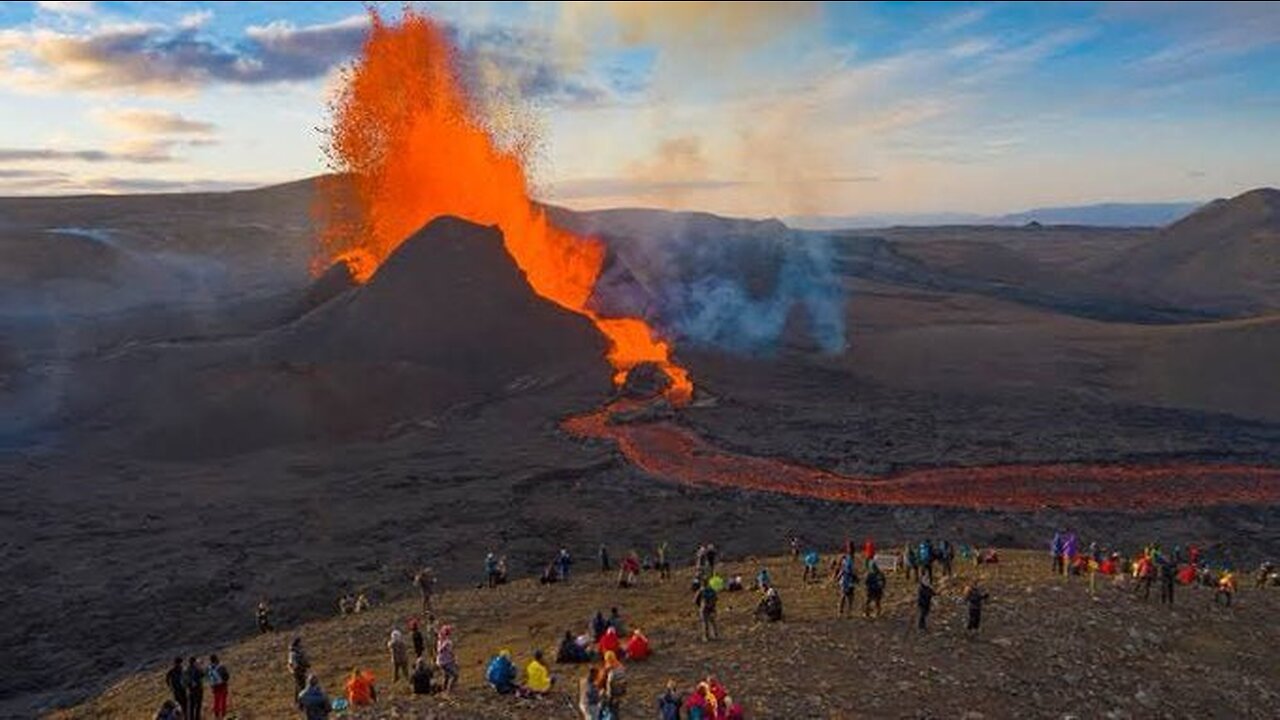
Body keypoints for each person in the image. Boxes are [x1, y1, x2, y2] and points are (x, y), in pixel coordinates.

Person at [600, 651, 627, 716]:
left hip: (612, 692)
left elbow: (609, 683)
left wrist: (607, 694)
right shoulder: (621, 667)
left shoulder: (611, 671)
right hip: (621, 690)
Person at [436, 624, 458, 691]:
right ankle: (449, 690)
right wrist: (455, 660)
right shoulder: (448, 642)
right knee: (455, 676)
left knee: (446, 676)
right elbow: (451, 652)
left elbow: (439, 650)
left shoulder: (440, 641)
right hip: (446, 662)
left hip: (440, 661)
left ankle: (444, 689)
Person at [207, 654, 230, 720]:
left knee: (216, 700)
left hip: (214, 686)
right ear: (216, 659)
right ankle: (223, 714)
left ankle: (216, 715)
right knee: (223, 700)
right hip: (222, 685)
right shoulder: (221, 667)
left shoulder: (209, 668)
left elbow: (208, 677)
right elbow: (226, 676)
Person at [184, 656, 204, 720]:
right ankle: (197, 718)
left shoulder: (186, 670)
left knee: (191, 707)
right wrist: (199, 667)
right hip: (198, 690)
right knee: (198, 706)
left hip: (190, 690)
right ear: (194, 662)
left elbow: (184, 681)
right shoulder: (197, 669)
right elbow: (202, 675)